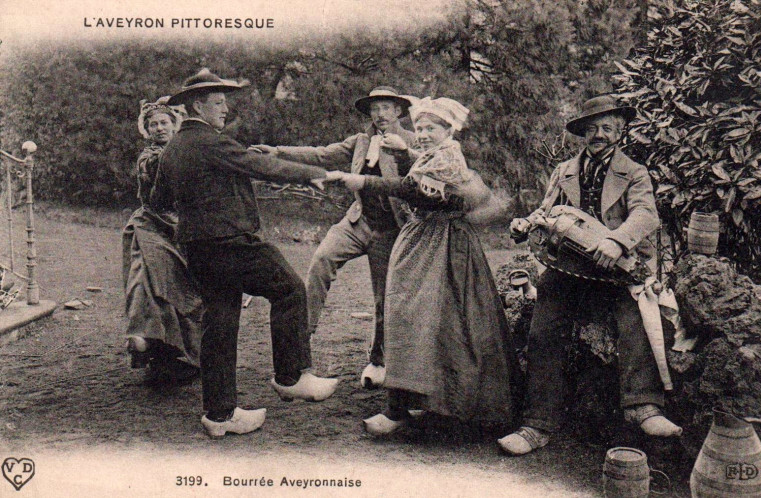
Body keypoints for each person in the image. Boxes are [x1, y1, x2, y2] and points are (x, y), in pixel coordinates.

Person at [151, 69, 341, 438]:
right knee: (288, 289)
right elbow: (262, 166)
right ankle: (292, 376)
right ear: (197, 105)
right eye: (219, 103)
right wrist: (312, 174)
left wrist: (197, 210)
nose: (225, 110)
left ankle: (220, 415)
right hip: (231, 242)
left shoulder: (174, 148)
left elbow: (156, 200)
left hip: (197, 247)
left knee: (219, 324)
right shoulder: (208, 141)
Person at [498, 95, 682, 456]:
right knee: (544, 329)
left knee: (636, 318)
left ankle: (643, 406)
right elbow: (546, 209)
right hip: (567, 266)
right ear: (582, 133)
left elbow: (645, 215)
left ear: (621, 130)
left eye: (607, 127)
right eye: (592, 128)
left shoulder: (634, 172)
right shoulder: (564, 170)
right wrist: (525, 223)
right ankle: (537, 424)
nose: (599, 134)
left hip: (616, 267)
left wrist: (616, 241)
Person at [337, 96, 520, 436]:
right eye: (418, 127)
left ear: (448, 130)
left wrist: (363, 181)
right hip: (424, 239)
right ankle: (412, 404)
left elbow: (414, 190)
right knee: (413, 321)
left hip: (444, 246)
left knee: (431, 320)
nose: (421, 133)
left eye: (430, 128)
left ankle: (423, 408)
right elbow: (418, 177)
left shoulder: (449, 157)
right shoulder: (434, 155)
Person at [253, 87, 415, 390]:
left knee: (384, 297)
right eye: (374, 109)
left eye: (385, 108)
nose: (379, 115)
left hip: (392, 231)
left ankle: (378, 361)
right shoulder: (360, 141)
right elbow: (321, 154)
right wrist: (277, 151)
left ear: (398, 111)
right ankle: (302, 344)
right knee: (321, 260)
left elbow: (410, 185)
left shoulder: (411, 144)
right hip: (358, 221)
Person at [123, 96, 203, 383]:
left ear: (174, 125)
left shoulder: (189, 151)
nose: (159, 128)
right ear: (147, 130)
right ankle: (149, 343)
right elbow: (154, 174)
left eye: (164, 122)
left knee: (187, 288)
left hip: (184, 228)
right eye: (153, 124)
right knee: (147, 281)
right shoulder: (149, 157)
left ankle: (185, 355)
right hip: (152, 226)